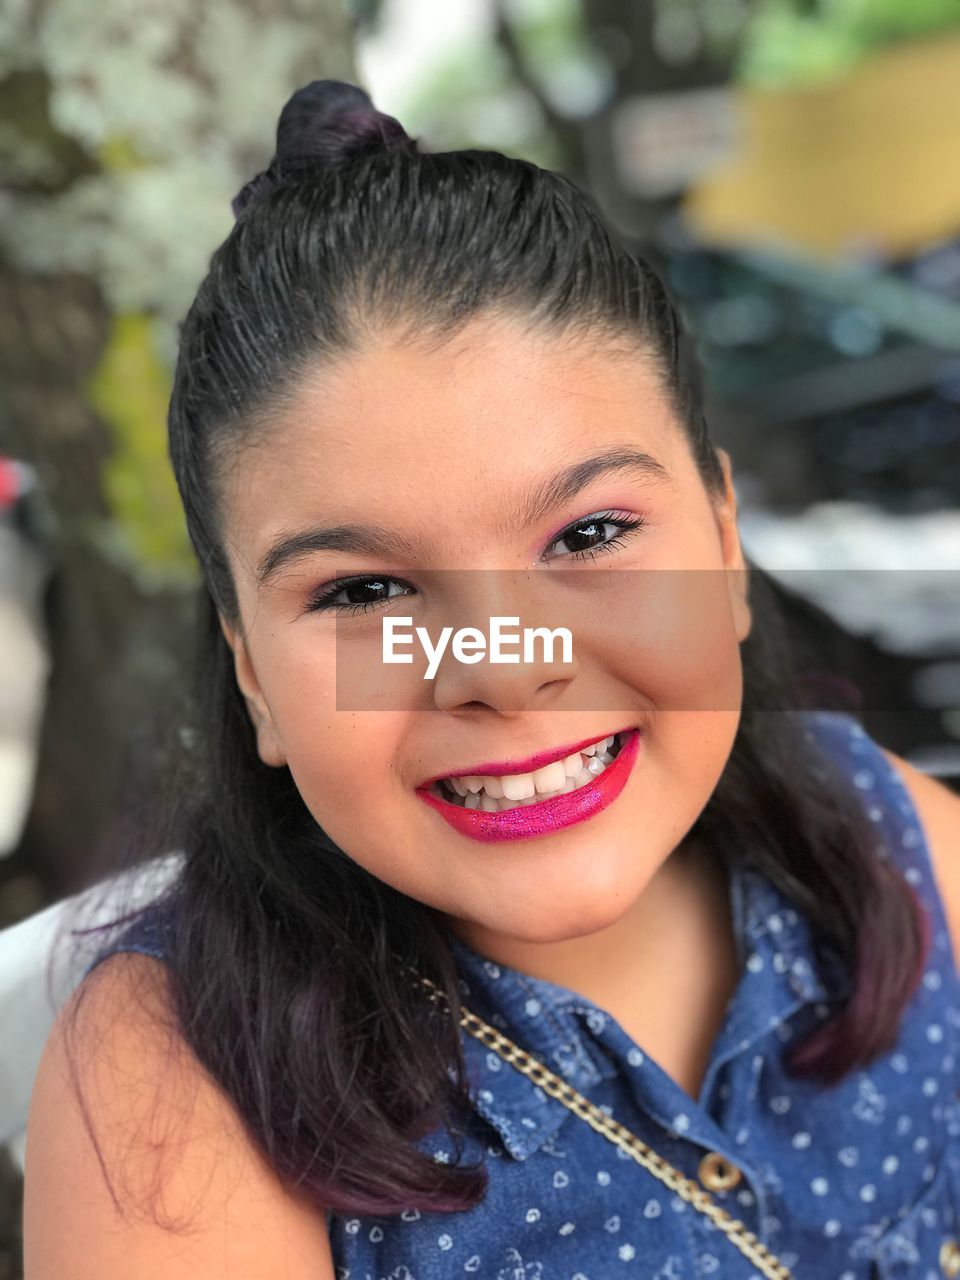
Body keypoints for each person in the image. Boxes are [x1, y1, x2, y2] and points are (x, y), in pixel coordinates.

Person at [22, 79, 960, 1280]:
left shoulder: (881, 830)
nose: (508, 671)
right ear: (251, 671)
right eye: (364, 593)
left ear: (724, 548)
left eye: (586, 537)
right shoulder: (183, 1073)